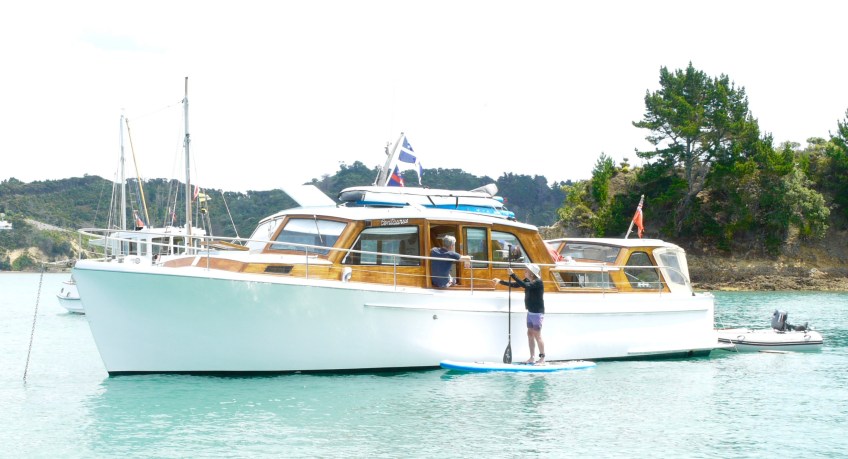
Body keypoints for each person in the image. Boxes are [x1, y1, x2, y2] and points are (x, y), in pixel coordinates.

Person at [493, 263, 545, 364]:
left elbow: (525, 286)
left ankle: (542, 358)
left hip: (537, 313)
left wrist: (513, 274)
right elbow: (516, 285)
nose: (525, 271)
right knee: (530, 334)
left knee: (537, 335)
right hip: (530, 312)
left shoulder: (538, 282)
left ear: (532, 273)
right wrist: (500, 281)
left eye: (526, 270)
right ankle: (532, 357)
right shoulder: (528, 280)